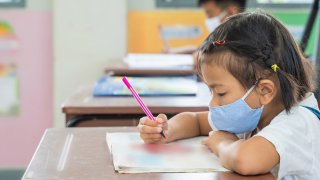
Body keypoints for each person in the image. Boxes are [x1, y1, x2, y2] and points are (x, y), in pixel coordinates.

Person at [138, 11, 320, 179]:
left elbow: (246, 160)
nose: (213, 102)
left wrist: (222, 143)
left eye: (220, 92)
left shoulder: (299, 122)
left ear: (265, 90)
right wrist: (166, 129)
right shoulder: (257, 112)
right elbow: (195, 121)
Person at [165, 0, 246, 54]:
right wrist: (174, 52)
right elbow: (202, 48)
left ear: (231, 12)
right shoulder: (223, 37)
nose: (208, 19)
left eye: (210, 14)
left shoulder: (245, 40)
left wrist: (202, 57)